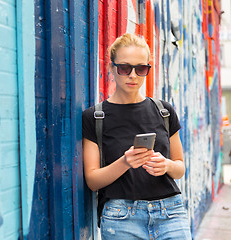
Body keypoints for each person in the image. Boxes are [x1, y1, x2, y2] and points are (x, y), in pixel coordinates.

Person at [82, 33, 192, 239]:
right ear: (111, 67)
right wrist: (125, 162)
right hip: (121, 217)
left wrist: (166, 165)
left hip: (170, 212)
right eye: (125, 68)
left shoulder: (164, 111)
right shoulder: (95, 117)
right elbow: (92, 180)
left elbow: (180, 168)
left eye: (141, 69)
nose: (133, 75)